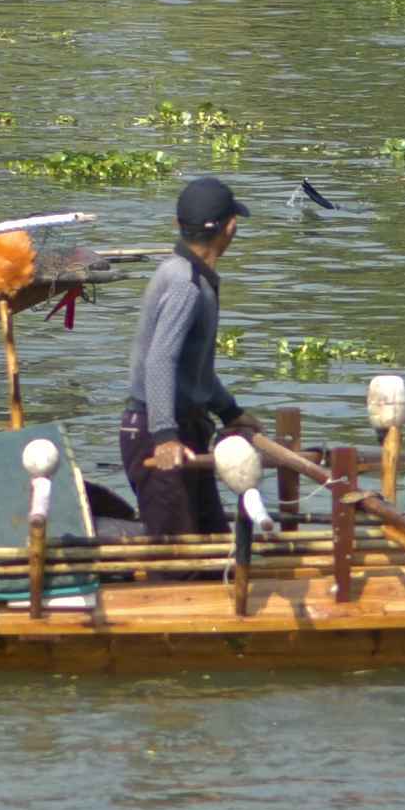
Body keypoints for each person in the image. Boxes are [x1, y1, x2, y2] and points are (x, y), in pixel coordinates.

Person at [122, 174, 255, 554]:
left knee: (212, 546)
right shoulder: (184, 284)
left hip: (186, 428)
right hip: (155, 433)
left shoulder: (194, 278)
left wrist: (230, 412)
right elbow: (161, 359)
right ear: (229, 228)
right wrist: (164, 436)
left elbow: (192, 367)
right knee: (177, 557)